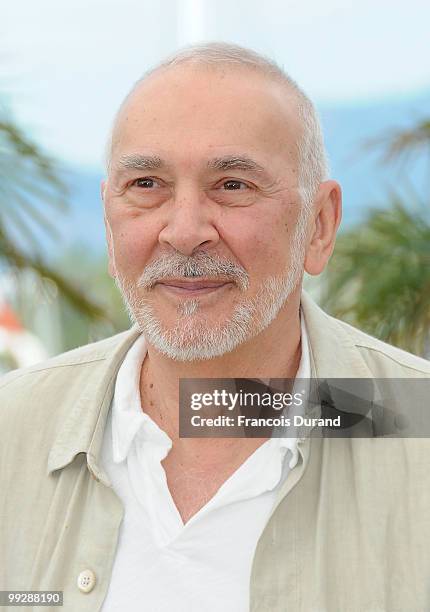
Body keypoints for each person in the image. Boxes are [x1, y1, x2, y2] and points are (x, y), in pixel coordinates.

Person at [1, 42, 429, 612]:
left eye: (232, 185)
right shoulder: (14, 432)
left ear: (319, 226)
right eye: (147, 184)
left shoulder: (413, 428)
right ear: (108, 222)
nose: (184, 231)